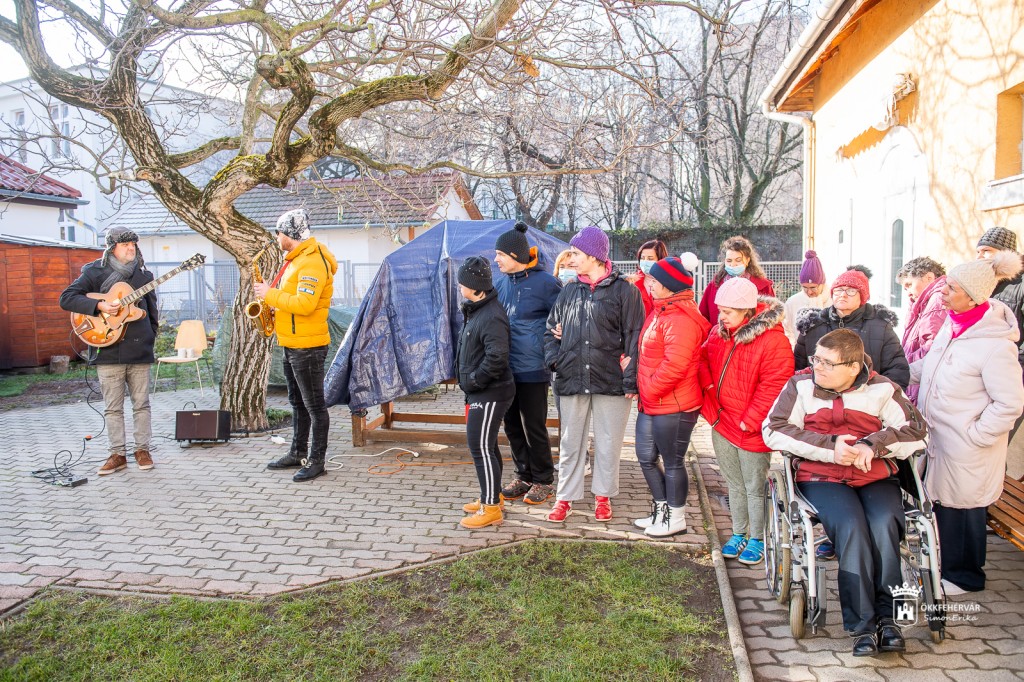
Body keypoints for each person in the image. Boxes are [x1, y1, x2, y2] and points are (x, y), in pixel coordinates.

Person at [763, 329, 927, 656]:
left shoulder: (883, 389)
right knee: (851, 527)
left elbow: (917, 432)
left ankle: (889, 620)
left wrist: (873, 445)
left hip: (874, 476)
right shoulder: (800, 386)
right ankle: (862, 626)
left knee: (884, 525)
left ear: (853, 367)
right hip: (821, 478)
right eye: (817, 359)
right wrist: (831, 447)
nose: (817, 367)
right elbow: (773, 429)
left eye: (828, 363)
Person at [910, 253, 1024, 594]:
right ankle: (947, 569)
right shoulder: (954, 325)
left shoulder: (994, 346)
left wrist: (977, 434)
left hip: (968, 446)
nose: (943, 293)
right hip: (941, 439)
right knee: (945, 507)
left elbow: (1010, 403)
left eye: (952, 289)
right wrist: (896, 374)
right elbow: (931, 365)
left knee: (964, 511)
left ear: (973, 297)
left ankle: (965, 578)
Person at [544, 226, 645, 523]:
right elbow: (550, 330)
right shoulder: (569, 291)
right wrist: (555, 361)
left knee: (608, 442)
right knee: (570, 442)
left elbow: (635, 337)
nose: (571, 259)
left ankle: (603, 496)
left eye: (576, 253)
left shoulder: (625, 291)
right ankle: (564, 498)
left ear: (594, 255)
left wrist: (630, 379)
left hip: (611, 380)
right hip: (572, 378)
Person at [699, 277, 793, 564]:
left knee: (754, 486)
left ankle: (758, 538)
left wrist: (750, 420)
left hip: (750, 428)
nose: (721, 316)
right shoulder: (719, 333)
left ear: (747, 311)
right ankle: (738, 532)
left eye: (728, 311)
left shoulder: (773, 341)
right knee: (734, 483)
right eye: (720, 310)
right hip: (722, 421)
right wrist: (710, 391)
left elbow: (775, 385)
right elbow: (702, 359)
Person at [59, 227, 159, 476]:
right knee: (113, 407)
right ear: (112, 248)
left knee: (142, 404)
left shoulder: (144, 276)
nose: (131, 248)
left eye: (133, 244)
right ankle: (117, 454)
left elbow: (152, 312)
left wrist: (151, 336)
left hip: (139, 349)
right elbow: (67, 298)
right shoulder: (94, 272)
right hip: (107, 348)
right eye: (125, 244)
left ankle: (142, 450)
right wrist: (99, 305)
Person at [256, 209, 338, 483]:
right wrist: (273, 299)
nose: (276, 238)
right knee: (297, 403)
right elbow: (291, 298)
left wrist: (270, 294)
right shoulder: (296, 260)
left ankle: (317, 461)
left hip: (308, 346)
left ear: (289, 235)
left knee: (315, 406)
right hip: (292, 342)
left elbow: (305, 304)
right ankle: (297, 452)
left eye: (279, 233)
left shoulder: (312, 262)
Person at [634, 257, 711, 537]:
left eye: (654, 280)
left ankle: (676, 517)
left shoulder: (681, 319)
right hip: (653, 402)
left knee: (672, 461)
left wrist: (649, 389)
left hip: (674, 404)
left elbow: (675, 365)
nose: (649, 284)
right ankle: (661, 508)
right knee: (645, 456)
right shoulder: (661, 311)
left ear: (668, 285)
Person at [493, 222, 562, 505]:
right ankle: (523, 475)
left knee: (534, 426)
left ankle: (543, 479)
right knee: (511, 426)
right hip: (505, 369)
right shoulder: (500, 284)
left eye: (500, 254)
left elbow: (561, 319)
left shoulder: (546, 283)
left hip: (533, 368)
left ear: (515, 255)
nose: (496, 259)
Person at [455, 256, 516, 529]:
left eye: (462, 283)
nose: (459, 286)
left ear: (475, 286)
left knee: (479, 447)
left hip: (491, 391)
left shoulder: (491, 315)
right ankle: (492, 497)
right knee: (486, 445)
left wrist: (474, 381)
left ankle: (490, 508)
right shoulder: (477, 310)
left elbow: (497, 357)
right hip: (481, 391)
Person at [794, 268, 910, 389]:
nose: (843, 295)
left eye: (851, 291)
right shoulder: (813, 325)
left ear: (862, 296)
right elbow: (798, 368)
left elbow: (897, 370)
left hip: (866, 397)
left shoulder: (881, 327)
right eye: (838, 290)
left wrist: (877, 395)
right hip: (819, 396)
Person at [896, 257, 947, 403]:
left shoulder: (936, 300)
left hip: (923, 377)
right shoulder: (924, 301)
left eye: (909, 285)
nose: (908, 293)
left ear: (929, 277)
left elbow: (932, 346)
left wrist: (904, 365)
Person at [698, 235, 775, 324]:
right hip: (720, 332)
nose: (733, 264)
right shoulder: (715, 285)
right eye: (729, 261)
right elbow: (703, 318)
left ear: (747, 260)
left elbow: (772, 318)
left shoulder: (763, 286)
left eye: (738, 260)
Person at [783, 250, 830, 346]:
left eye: (813, 287)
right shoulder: (792, 302)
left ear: (822, 283)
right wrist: (794, 347)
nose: (809, 292)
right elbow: (786, 330)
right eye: (805, 287)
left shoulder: (833, 301)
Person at [629, 239, 669, 318]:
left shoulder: (669, 283)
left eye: (650, 259)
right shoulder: (632, 283)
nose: (645, 261)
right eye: (642, 258)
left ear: (660, 259)